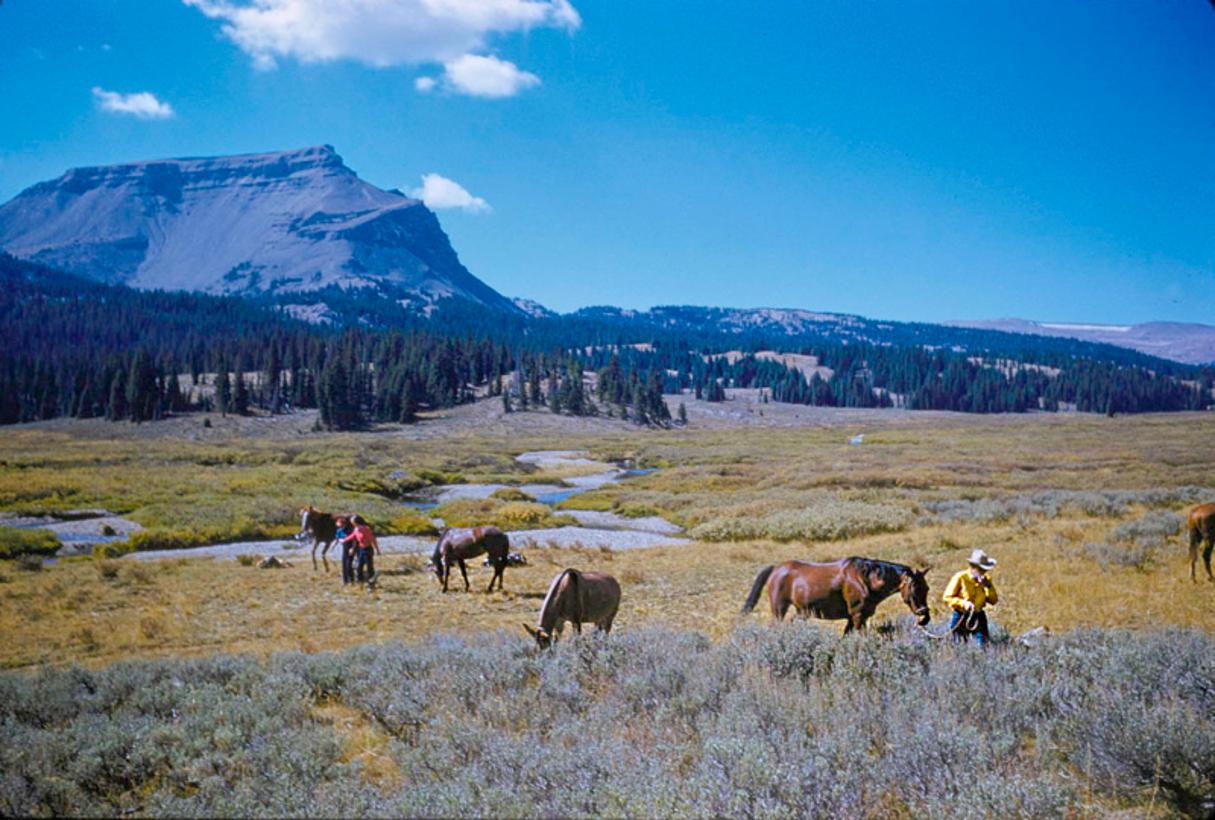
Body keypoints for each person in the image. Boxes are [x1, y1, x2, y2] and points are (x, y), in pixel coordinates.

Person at [942, 549, 998, 646]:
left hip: (978, 616)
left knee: (983, 646)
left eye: (985, 570)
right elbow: (947, 597)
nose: (984, 572)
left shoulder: (986, 579)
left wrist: (988, 586)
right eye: (981, 569)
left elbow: (993, 600)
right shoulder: (960, 577)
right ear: (973, 567)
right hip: (961, 616)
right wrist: (964, 603)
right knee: (959, 645)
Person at [340, 514, 380, 587]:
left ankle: (371, 583)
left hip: (368, 550)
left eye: (352, 521)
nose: (351, 523)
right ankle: (360, 582)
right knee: (359, 566)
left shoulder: (366, 529)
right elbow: (352, 536)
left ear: (356, 522)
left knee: (369, 567)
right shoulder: (356, 529)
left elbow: (372, 539)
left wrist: (377, 549)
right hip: (361, 549)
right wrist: (344, 540)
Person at [334, 516, 354, 585]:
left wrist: (352, 548)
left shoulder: (350, 530)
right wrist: (333, 546)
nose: (340, 527)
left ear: (344, 524)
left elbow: (354, 540)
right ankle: (345, 581)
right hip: (344, 548)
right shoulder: (339, 530)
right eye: (339, 526)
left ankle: (352, 580)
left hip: (350, 547)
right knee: (343, 564)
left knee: (349, 564)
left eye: (341, 525)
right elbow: (337, 539)